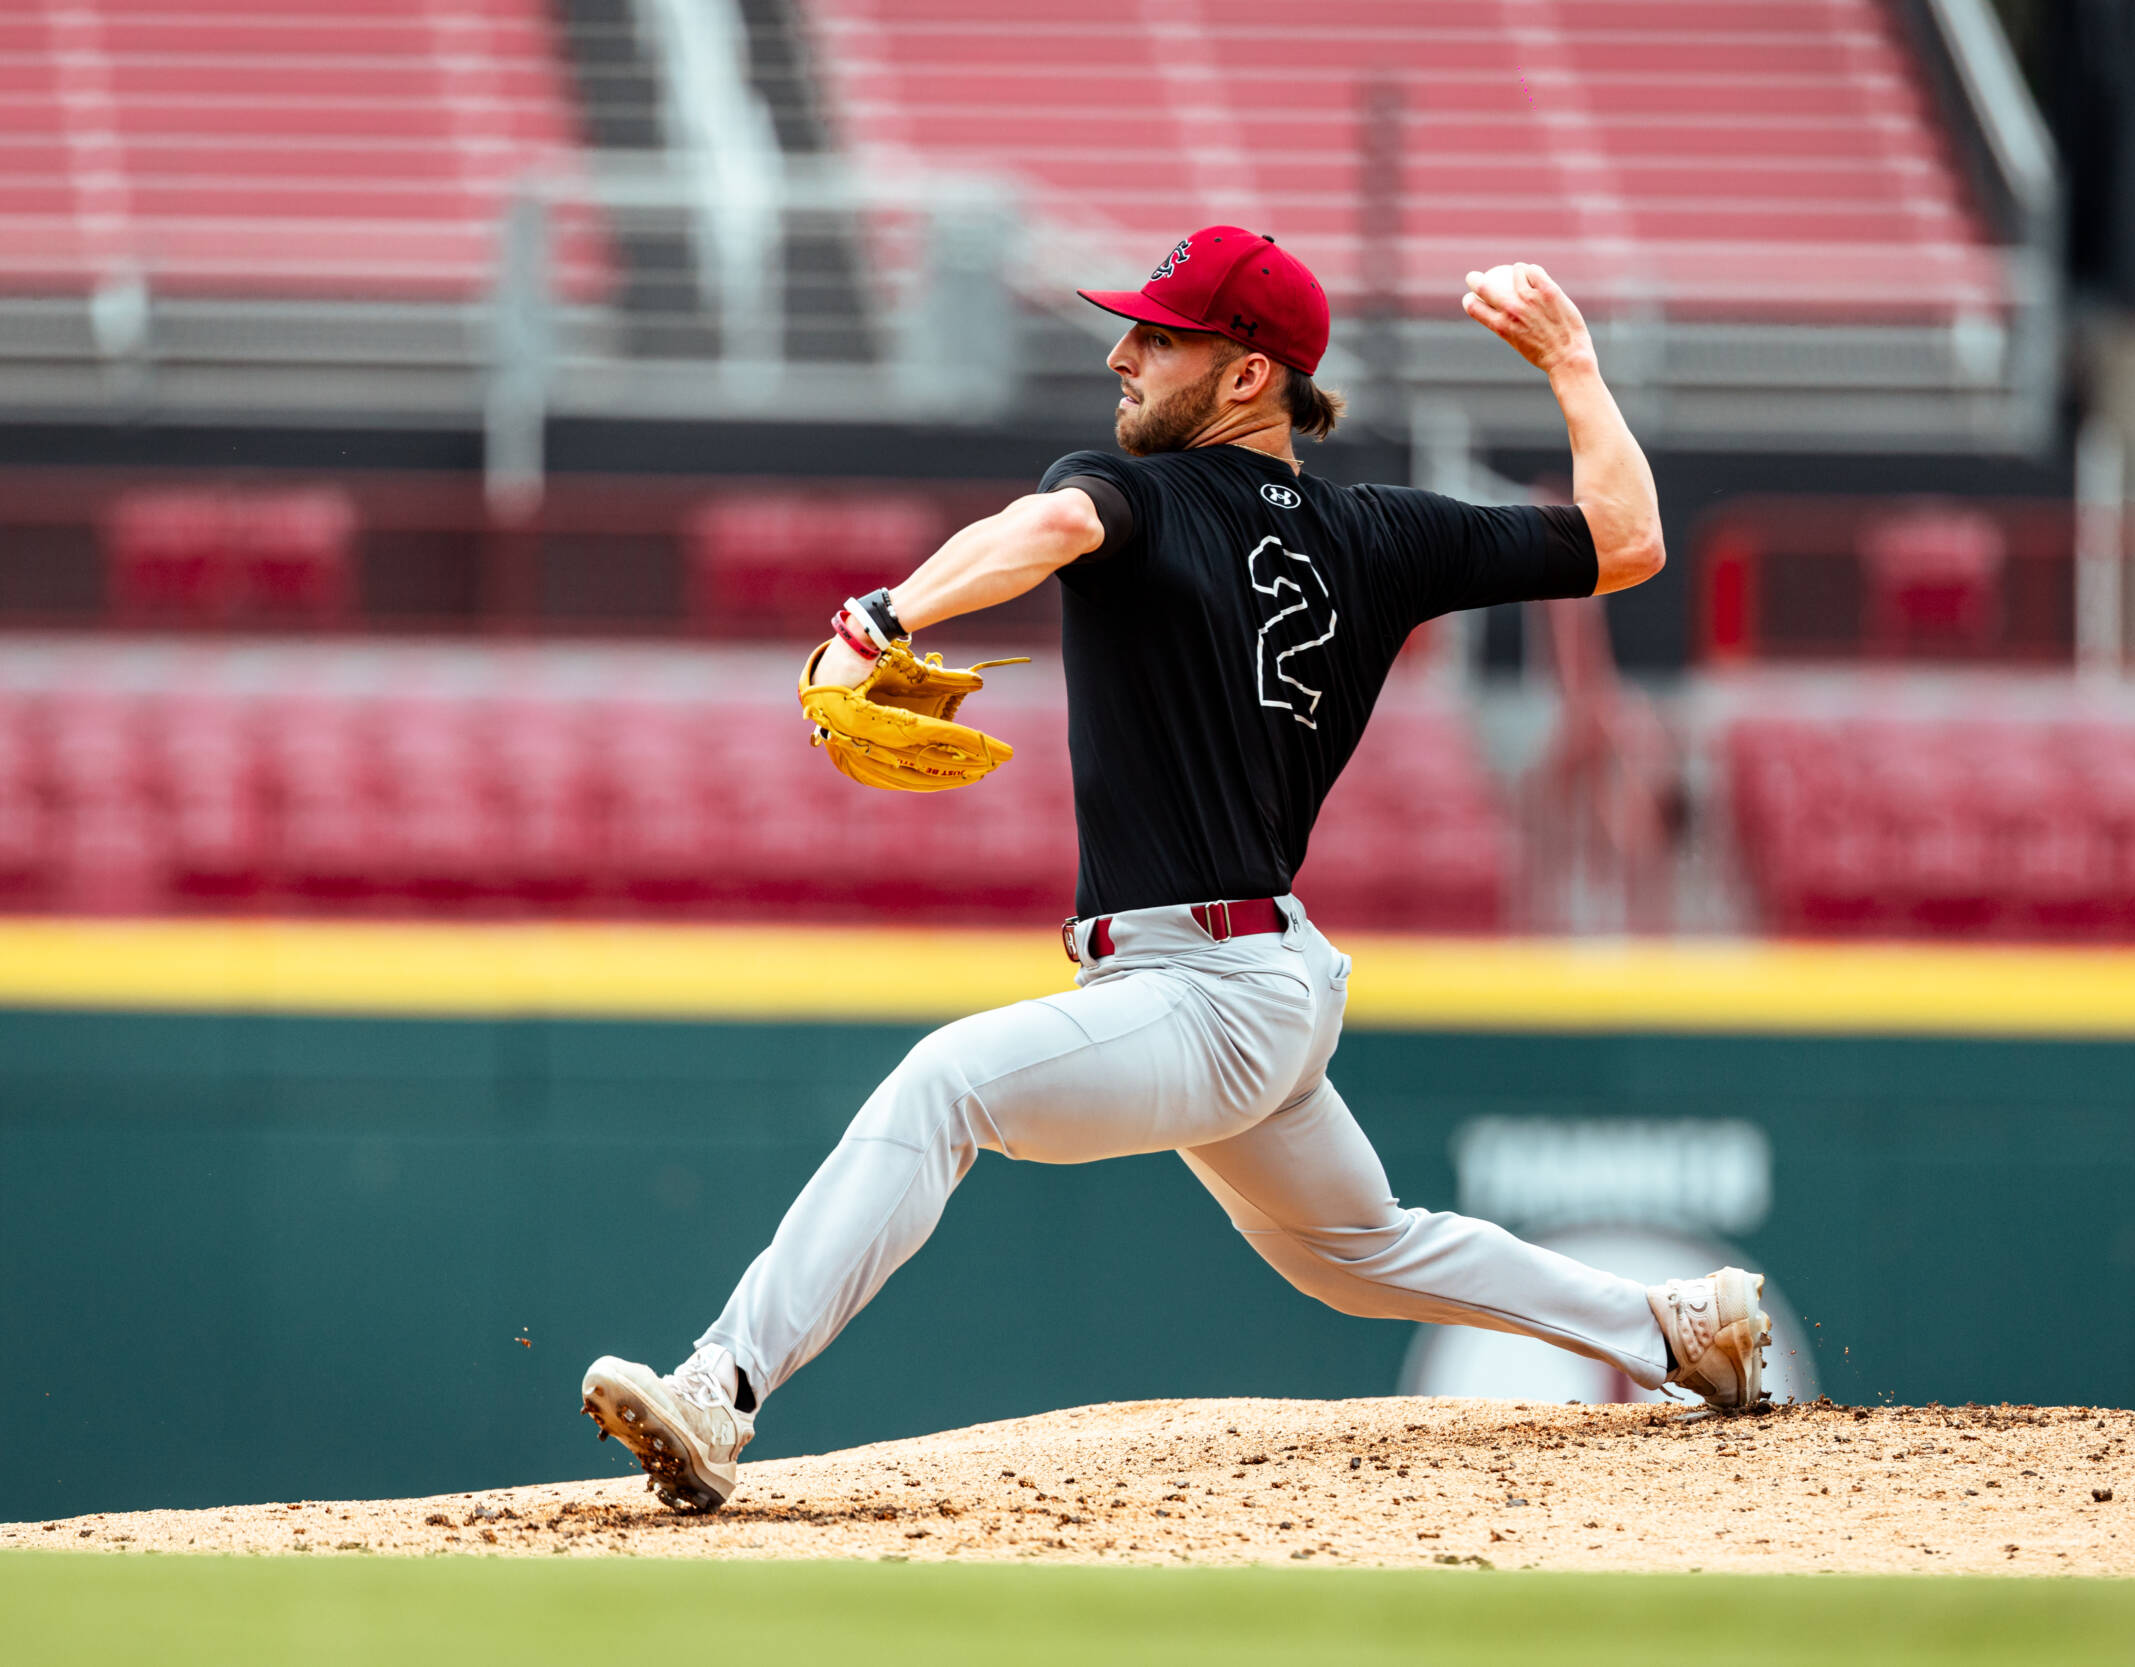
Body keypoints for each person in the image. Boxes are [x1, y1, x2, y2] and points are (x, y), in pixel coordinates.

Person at [581, 227, 1770, 1511]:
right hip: (1262, 977)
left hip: (1199, 982)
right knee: (1355, 1249)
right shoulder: (1383, 535)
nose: (1122, 353)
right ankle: (1672, 1329)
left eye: (1156, 335)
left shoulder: (1128, 492)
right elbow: (1628, 540)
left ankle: (721, 1388)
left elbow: (1042, 525)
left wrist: (881, 619)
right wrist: (1575, 369)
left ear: (1248, 373)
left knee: (943, 1086)